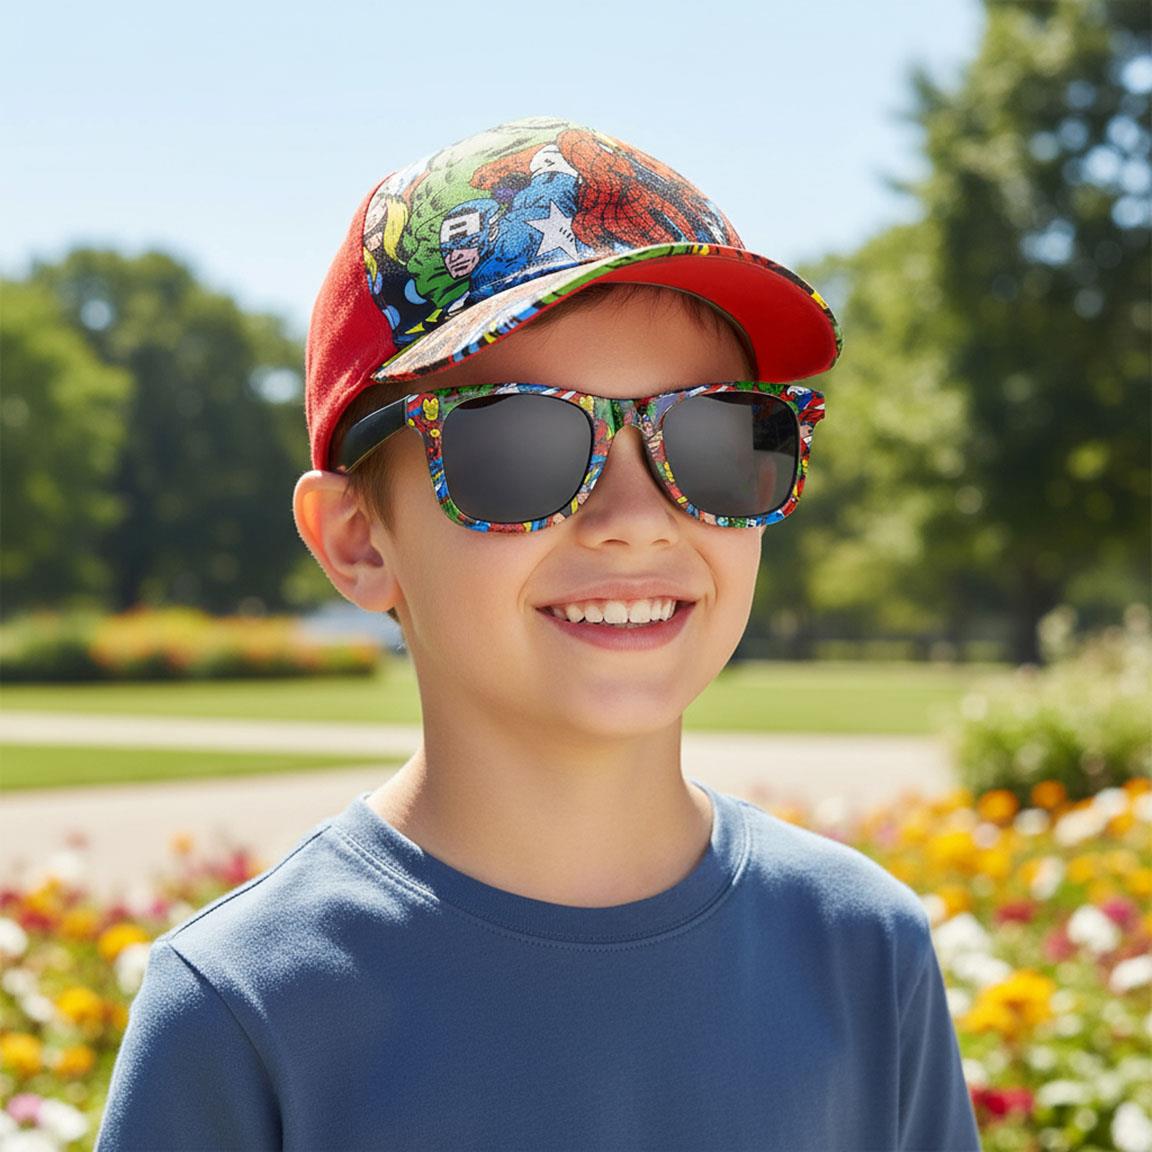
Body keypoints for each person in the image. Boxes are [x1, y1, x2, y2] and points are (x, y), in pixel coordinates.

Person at [96, 116, 981, 1151]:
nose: (636, 517)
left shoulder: (864, 950)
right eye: (516, 441)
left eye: (712, 435)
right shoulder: (243, 1007)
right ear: (357, 539)